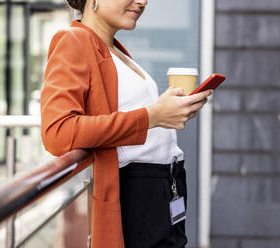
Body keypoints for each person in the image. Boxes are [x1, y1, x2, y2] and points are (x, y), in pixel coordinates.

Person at [40, 0, 213, 247]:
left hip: (165, 189)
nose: (142, 1)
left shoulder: (113, 48)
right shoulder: (73, 41)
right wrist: (152, 116)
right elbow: (58, 132)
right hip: (137, 194)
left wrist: (171, 111)